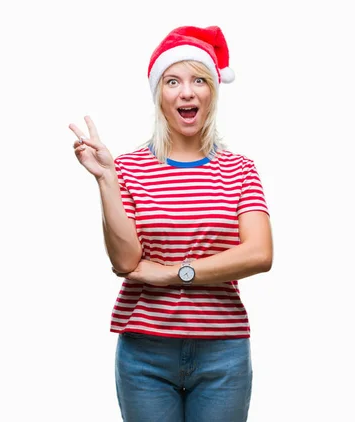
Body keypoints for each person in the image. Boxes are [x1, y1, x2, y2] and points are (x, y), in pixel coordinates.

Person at [69, 25, 273, 422]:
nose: (187, 91)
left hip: (223, 352)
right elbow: (126, 261)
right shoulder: (127, 168)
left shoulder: (240, 170)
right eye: (173, 81)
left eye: (199, 79)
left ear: (212, 92)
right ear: (159, 95)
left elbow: (260, 254)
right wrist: (107, 179)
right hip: (145, 354)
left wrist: (172, 274)